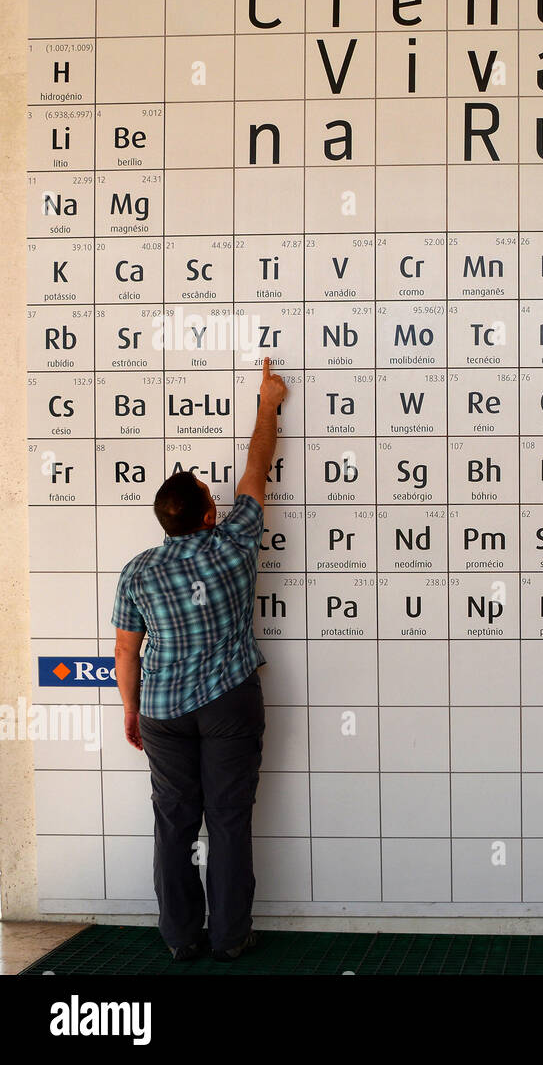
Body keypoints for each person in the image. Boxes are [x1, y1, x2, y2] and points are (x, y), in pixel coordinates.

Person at [112, 356, 287, 960]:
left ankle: (181, 939)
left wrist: (132, 711)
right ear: (211, 513)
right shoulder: (235, 543)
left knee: (174, 823)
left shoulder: (137, 569)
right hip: (229, 702)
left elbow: (125, 651)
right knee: (231, 820)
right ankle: (231, 939)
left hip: (161, 710)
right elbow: (257, 468)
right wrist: (268, 404)